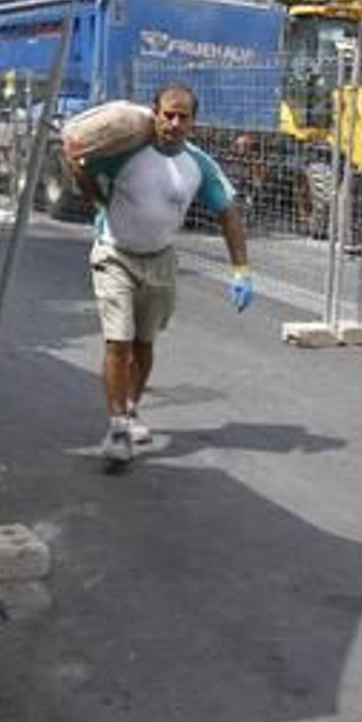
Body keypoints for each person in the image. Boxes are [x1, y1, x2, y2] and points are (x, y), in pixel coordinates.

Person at [68, 83, 252, 467]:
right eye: (167, 114)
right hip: (115, 254)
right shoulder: (125, 152)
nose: (173, 122)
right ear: (155, 113)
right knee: (117, 343)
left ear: (193, 122)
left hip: (160, 261)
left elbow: (228, 213)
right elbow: (83, 168)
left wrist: (241, 270)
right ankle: (118, 425)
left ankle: (131, 409)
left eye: (183, 116)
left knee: (143, 345)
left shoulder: (198, 165)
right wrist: (97, 199)